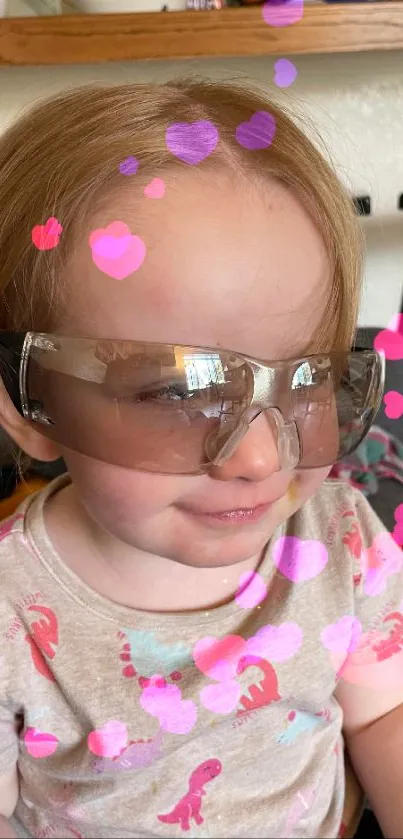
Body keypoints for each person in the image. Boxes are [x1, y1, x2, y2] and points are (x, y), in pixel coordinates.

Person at [0, 79, 401, 839]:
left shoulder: (337, 538)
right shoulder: (12, 611)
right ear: (26, 405)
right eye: (179, 391)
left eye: (306, 378)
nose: (258, 456)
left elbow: (383, 714)